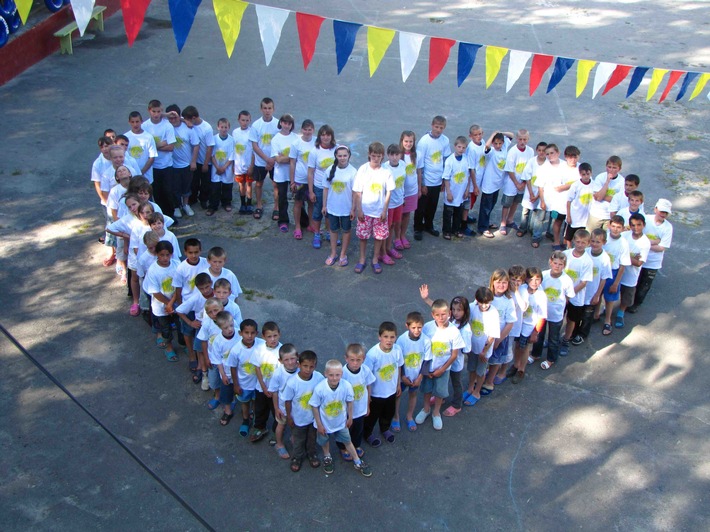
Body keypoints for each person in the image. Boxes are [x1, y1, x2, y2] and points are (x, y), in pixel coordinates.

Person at [310, 360, 373, 477]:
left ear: (342, 374)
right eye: (331, 375)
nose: (334, 378)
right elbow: (314, 406)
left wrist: (350, 417)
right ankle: (327, 456)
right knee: (325, 441)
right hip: (325, 423)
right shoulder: (320, 389)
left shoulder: (346, 386)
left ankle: (357, 461)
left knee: (347, 441)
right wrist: (319, 424)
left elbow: (350, 401)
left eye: (337, 375)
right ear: (325, 374)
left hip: (341, 422)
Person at [419, 286, 470, 417]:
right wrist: (426, 299)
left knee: (455, 382)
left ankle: (457, 404)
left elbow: (464, 350)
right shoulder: (446, 319)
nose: (456, 312)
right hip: (441, 361)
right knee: (441, 384)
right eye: (454, 309)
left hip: (454, 362)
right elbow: (438, 308)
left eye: (459, 310)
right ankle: (439, 399)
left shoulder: (462, 329)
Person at [352, 142, 395, 275]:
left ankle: (375, 259)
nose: (375, 159)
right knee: (363, 237)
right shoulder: (363, 170)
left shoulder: (386, 172)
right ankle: (362, 258)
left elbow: (388, 192)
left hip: (379, 212)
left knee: (379, 237)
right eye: (373, 156)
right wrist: (359, 209)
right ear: (369, 155)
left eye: (378, 156)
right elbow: (358, 191)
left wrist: (384, 210)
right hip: (365, 211)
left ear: (382, 156)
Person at [531, 251, 575, 370]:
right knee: (539, 334)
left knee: (553, 338)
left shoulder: (567, 280)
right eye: (555, 263)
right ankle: (535, 354)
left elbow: (569, 296)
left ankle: (551, 359)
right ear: (550, 262)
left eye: (560, 264)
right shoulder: (544, 275)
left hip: (556, 315)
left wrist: (561, 306)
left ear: (564, 266)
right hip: (541, 314)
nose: (557, 266)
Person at [282, 350, 324, 472]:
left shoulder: (319, 377)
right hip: (299, 418)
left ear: (315, 366)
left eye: (311, 366)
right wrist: (289, 416)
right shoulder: (292, 383)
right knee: (299, 439)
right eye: (305, 366)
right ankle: (297, 457)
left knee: (312, 437)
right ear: (298, 365)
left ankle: (312, 454)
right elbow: (288, 401)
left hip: (313, 418)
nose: (308, 369)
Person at [363, 322, 404, 445]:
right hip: (376, 393)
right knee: (372, 416)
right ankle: (368, 433)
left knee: (388, 413)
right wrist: (368, 395)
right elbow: (367, 376)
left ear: (396, 337)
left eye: (392, 337)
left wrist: (398, 384)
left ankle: (385, 429)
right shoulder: (372, 354)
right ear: (379, 337)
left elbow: (398, 367)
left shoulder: (397, 349)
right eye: (386, 336)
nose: (389, 340)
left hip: (391, 391)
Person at [630, 199, 673, 312]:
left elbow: (661, 248)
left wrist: (645, 243)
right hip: (638, 257)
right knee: (633, 282)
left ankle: (636, 304)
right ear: (655, 209)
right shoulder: (646, 220)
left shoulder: (668, 228)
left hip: (653, 262)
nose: (663, 214)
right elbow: (636, 233)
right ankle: (628, 302)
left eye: (666, 213)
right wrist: (654, 242)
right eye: (661, 211)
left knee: (644, 285)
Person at [413, 116, 451, 240]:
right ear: (431, 125)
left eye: (441, 128)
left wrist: (444, 181)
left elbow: (446, 160)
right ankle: (418, 228)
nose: (438, 130)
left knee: (432, 206)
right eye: (436, 127)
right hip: (427, 180)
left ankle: (428, 225)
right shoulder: (424, 141)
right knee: (421, 207)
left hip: (437, 180)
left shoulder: (445, 140)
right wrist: (422, 184)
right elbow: (420, 163)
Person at [143, 241, 180, 362]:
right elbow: (155, 292)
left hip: (175, 304)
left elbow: (180, 285)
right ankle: (169, 347)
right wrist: (168, 304)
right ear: (156, 255)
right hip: (161, 307)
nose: (165, 258)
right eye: (162, 255)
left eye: (167, 255)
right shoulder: (153, 270)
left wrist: (173, 303)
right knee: (166, 329)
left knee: (180, 326)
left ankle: (183, 344)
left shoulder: (176, 265)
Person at [480, 269, 516, 394]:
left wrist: (499, 339)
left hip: (500, 336)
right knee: (483, 358)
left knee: (495, 360)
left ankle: (489, 381)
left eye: (504, 283)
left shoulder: (509, 301)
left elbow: (510, 323)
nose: (501, 285)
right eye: (498, 282)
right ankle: (480, 378)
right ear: (492, 282)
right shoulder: (486, 296)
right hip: (484, 335)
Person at [394, 312, 431, 431]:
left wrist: (420, 377)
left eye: (419, 327)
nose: (417, 330)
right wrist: (403, 376)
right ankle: (396, 417)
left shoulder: (426, 340)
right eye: (413, 327)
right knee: (398, 395)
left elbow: (426, 360)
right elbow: (399, 360)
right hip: (404, 376)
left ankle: (409, 416)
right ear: (407, 326)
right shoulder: (401, 340)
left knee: (413, 394)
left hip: (416, 376)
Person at [227, 319, 265, 436]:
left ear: (256, 333)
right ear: (240, 333)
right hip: (244, 384)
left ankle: (253, 415)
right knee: (244, 402)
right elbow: (233, 367)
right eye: (246, 333)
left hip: (258, 384)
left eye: (252, 333)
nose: (249, 336)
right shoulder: (236, 350)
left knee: (255, 401)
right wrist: (236, 384)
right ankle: (245, 419)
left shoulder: (261, 344)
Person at [337, 343, 375, 459]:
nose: (355, 363)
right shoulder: (343, 373)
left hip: (360, 408)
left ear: (363, 359)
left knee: (358, 429)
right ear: (346, 358)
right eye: (352, 360)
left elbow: (368, 385)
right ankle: (343, 447)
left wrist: (368, 404)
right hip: (347, 411)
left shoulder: (365, 370)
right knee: (345, 430)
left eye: (358, 360)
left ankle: (356, 445)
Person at [510, 267, 547, 384]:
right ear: (526, 279)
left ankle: (521, 369)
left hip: (529, 326)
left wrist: (535, 332)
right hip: (518, 323)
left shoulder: (541, 296)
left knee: (525, 348)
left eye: (537, 279)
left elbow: (542, 316)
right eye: (531, 279)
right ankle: (515, 365)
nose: (534, 282)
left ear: (541, 280)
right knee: (517, 345)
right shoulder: (522, 288)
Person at [175, 272, 214, 383]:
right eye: (202, 288)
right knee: (200, 349)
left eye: (207, 287)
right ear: (197, 288)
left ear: (211, 283)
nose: (206, 290)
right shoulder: (196, 298)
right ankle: (201, 369)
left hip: (216, 326)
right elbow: (179, 310)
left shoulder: (218, 294)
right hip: (202, 327)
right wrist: (190, 322)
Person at [463, 287, 499, 405]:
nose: (484, 306)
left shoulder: (493, 312)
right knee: (471, 369)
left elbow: (492, 335)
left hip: (484, 351)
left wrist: (484, 351)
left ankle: (477, 392)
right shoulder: (472, 307)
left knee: (480, 371)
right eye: (481, 303)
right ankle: (470, 388)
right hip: (473, 347)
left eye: (487, 303)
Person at [576, 228, 612, 343]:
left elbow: (604, 278)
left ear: (604, 243)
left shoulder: (605, 259)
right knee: (577, 313)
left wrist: (597, 295)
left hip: (592, 292)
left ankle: (582, 334)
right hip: (581, 290)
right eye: (593, 241)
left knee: (588, 315)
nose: (595, 244)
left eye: (598, 242)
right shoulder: (585, 252)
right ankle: (574, 332)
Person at [322, 145, 356, 267]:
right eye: (340, 155)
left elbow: (355, 192)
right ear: (336, 156)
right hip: (332, 208)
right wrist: (324, 206)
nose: (342, 158)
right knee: (333, 230)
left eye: (345, 155)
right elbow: (325, 189)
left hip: (346, 208)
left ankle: (343, 254)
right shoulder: (330, 170)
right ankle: (333, 253)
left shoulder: (353, 172)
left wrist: (353, 208)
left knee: (346, 230)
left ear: (349, 156)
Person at [615, 213, 651, 328]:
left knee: (626, 296)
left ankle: (620, 313)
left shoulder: (645, 243)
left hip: (631, 275)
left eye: (639, 225)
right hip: (618, 271)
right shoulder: (624, 235)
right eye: (633, 225)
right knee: (612, 291)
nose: (636, 227)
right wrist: (631, 258)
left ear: (644, 225)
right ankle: (607, 309)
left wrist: (624, 256)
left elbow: (639, 262)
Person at [561, 230, 593, 354]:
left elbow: (583, 282)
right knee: (559, 319)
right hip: (562, 295)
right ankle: (554, 339)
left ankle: (565, 340)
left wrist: (569, 294)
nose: (580, 245)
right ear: (573, 240)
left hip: (576, 297)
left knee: (571, 320)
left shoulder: (587, 261)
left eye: (583, 243)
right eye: (578, 241)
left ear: (588, 243)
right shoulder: (565, 254)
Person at [250, 321, 283, 442]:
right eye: (269, 336)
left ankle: (276, 432)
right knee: (260, 409)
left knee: (277, 412)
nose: (273, 339)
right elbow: (257, 368)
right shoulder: (259, 350)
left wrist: (273, 389)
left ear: (279, 334)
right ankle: (260, 428)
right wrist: (263, 387)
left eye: (275, 335)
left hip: (276, 391)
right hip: (261, 388)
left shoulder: (282, 350)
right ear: (263, 337)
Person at [142, 100, 176, 216]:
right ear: (149, 111)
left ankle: (170, 215)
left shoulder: (167, 126)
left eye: (158, 111)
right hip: (152, 166)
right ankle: (159, 216)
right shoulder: (145, 126)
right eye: (153, 111)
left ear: (162, 111)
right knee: (156, 193)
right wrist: (162, 143)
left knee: (168, 191)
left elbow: (171, 147)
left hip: (166, 165)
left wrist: (153, 147)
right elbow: (145, 148)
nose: (156, 114)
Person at [207, 311, 242, 425]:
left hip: (241, 371)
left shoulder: (239, 334)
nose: (230, 329)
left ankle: (249, 410)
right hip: (227, 372)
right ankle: (227, 411)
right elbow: (217, 359)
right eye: (226, 327)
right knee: (226, 391)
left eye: (231, 325)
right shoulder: (218, 341)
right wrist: (222, 374)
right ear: (220, 327)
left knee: (245, 390)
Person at [477, 131, 513, 238]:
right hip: (489, 184)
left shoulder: (505, 146)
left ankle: (486, 223)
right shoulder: (491, 151)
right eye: (495, 143)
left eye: (499, 143)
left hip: (497, 183)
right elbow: (487, 145)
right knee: (485, 207)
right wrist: (493, 134)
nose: (498, 145)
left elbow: (511, 135)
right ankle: (482, 227)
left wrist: (501, 132)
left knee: (491, 205)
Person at [267, 343, 299, 459]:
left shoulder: (301, 370)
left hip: (297, 407)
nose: (290, 362)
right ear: (280, 361)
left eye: (292, 359)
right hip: (283, 407)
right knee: (281, 425)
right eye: (286, 360)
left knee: (295, 425)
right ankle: (279, 444)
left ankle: (293, 438)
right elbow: (274, 392)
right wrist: (276, 408)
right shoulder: (278, 373)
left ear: (297, 357)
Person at [307, 124, 337, 247]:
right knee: (318, 212)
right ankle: (317, 234)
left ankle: (329, 233)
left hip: (333, 187)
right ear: (319, 136)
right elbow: (310, 172)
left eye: (328, 135)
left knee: (330, 212)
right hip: (319, 187)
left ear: (331, 136)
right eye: (323, 135)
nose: (325, 137)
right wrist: (311, 191)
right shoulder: (315, 152)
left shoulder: (337, 149)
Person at [165, 104, 198, 217]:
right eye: (170, 118)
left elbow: (196, 145)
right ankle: (176, 206)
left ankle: (185, 205)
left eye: (175, 117)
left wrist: (193, 161)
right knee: (175, 188)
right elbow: (158, 117)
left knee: (186, 187)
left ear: (180, 116)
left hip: (186, 164)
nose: (173, 120)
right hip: (172, 165)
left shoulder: (188, 128)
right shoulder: (166, 128)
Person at [249, 97, 279, 221]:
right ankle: (259, 205)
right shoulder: (256, 125)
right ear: (261, 109)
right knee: (259, 183)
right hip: (261, 161)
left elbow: (280, 143)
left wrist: (272, 160)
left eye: (269, 108)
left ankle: (276, 207)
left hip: (274, 161)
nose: (267, 111)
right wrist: (267, 159)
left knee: (276, 184)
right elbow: (254, 146)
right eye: (265, 108)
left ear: (273, 109)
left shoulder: (278, 124)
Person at [601, 215, 631, 335]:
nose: (615, 229)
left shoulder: (623, 243)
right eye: (613, 226)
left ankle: (608, 320)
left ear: (623, 228)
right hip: (600, 271)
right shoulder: (604, 237)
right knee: (597, 295)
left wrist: (616, 283)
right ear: (609, 225)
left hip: (613, 273)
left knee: (609, 299)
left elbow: (623, 266)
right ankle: (597, 314)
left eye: (618, 227)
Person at [181, 105, 214, 209]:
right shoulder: (189, 124)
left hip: (205, 160)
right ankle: (193, 199)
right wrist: (185, 121)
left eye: (187, 120)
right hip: (194, 160)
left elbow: (210, 147)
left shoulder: (207, 128)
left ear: (194, 118)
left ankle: (204, 199)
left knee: (205, 183)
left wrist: (206, 163)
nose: (186, 122)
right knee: (194, 182)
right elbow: (177, 118)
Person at [501, 129, 534, 235]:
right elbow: (510, 170)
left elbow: (530, 168)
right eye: (520, 139)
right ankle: (503, 223)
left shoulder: (530, 151)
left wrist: (523, 183)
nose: (522, 141)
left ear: (528, 139)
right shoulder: (512, 152)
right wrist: (517, 183)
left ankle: (510, 220)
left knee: (516, 202)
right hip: (511, 183)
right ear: (517, 139)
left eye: (525, 139)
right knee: (507, 203)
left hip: (522, 183)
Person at [289, 119, 316, 238]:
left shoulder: (317, 142)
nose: (307, 132)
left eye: (310, 129)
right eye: (305, 129)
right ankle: (298, 227)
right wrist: (292, 181)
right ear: (302, 130)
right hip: (300, 179)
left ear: (313, 130)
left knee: (312, 203)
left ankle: (311, 224)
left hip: (313, 180)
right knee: (298, 203)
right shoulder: (296, 143)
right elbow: (292, 163)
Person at [517, 141, 548, 246]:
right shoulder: (532, 161)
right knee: (525, 212)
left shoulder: (549, 164)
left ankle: (536, 236)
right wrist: (531, 193)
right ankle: (523, 228)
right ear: (536, 150)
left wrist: (538, 196)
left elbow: (547, 183)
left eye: (544, 151)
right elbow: (527, 178)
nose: (541, 152)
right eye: (539, 150)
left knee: (538, 215)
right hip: (530, 192)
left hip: (542, 193)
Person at [270, 114, 297, 231]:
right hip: (280, 174)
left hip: (294, 174)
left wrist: (285, 158)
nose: (287, 126)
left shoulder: (296, 138)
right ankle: (283, 221)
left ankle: (302, 221)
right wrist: (292, 158)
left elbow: (299, 158)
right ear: (281, 123)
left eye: (289, 124)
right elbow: (278, 160)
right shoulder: (276, 139)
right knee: (282, 198)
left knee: (299, 198)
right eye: (285, 123)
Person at [441, 136, 470, 240]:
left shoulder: (466, 159)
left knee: (458, 213)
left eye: (463, 147)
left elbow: (468, 176)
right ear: (454, 146)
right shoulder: (450, 161)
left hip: (461, 192)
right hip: (452, 192)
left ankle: (456, 229)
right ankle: (446, 231)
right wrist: (448, 192)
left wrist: (467, 190)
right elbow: (446, 178)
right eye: (459, 147)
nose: (461, 149)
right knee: (448, 213)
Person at [381, 144, 406, 261]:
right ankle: (383, 251)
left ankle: (388, 248)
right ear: (388, 155)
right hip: (389, 204)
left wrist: (403, 197)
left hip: (399, 202)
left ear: (400, 155)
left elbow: (403, 184)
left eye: (397, 154)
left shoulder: (403, 165)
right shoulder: (384, 168)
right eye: (392, 155)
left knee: (393, 226)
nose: (395, 157)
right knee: (386, 227)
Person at [587, 155, 624, 231]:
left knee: (606, 239)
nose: (611, 170)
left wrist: (601, 195)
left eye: (614, 168)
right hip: (596, 214)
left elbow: (619, 200)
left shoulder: (622, 181)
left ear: (619, 169)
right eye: (609, 167)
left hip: (610, 216)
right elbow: (598, 198)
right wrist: (607, 182)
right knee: (589, 237)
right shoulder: (600, 177)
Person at [207, 118, 235, 215]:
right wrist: (217, 167)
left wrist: (224, 167)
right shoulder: (214, 139)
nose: (223, 129)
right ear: (218, 127)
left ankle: (226, 203)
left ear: (229, 128)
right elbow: (211, 155)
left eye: (225, 127)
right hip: (216, 167)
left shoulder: (231, 140)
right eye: (222, 127)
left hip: (226, 167)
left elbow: (232, 155)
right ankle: (213, 205)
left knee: (227, 186)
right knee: (215, 187)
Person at [565, 162, 594, 249]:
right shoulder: (575, 185)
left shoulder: (594, 184)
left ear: (591, 173)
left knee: (583, 234)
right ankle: (569, 247)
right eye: (583, 174)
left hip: (586, 215)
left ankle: (581, 248)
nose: (586, 176)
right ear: (580, 174)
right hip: (575, 215)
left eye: (588, 174)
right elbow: (568, 201)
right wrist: (569, 215)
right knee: (570, 233)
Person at [397, 131, 418, 249]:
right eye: (406, 141)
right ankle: (396, 237)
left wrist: (419, 188)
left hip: (412, 191)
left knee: (406, 214)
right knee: (398, 215)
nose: (408, 144)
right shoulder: (398, 155)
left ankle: (402, 235)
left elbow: (418, 172)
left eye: (411, 141)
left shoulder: (416, 154)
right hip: (400, 192)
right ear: (401, 141)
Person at [124, 111, 157, 182]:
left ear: (141, 122)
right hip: (131, 177)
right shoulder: (125, 137)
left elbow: (151, 157)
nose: (135, 124)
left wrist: (141, 173)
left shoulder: (149, 137)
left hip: (146, 177)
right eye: (132, 122)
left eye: (137, 121)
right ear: (129, 122)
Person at [232, 110, 254, 215]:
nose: (244, 122)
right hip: (238, 165)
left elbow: (254, 150)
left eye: (247, 120)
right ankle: (242, 203)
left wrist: (252, 165)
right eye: (242, 120)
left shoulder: (252, 132)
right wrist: (233, 165)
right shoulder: (235, 132)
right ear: (238, 120)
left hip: (248, 164)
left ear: (250, 120)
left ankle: (249, 203)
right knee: (241, 184)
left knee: (249, 184)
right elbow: (233, 149)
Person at [465, 124, 486, 232]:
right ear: (470, 136)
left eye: (480, 134)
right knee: (469, 201)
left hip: (479, 178)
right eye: (476, 135)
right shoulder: (471, 149)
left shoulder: (482, 143)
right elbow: (471, 169)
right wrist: (475, 186)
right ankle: (462, 221)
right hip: (473, 181)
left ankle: (466, 216)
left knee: (472, 201)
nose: (479, 136)